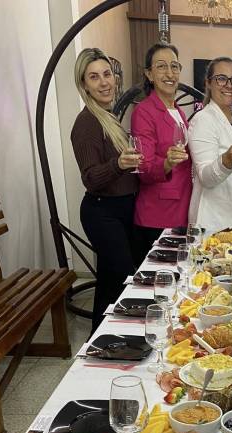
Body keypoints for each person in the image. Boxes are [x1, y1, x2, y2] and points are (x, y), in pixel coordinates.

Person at [71, 48, 141, 331]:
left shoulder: (107, 117)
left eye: (107, 74)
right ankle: (111, 340)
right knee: (121, 280)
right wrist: (119, 164)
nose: (104, 82)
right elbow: (90, 178)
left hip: (120, 209)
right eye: (94, 77)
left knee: (110, 283)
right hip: (103, 212)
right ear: (84, 84)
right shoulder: (87, 122)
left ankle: (97, 342)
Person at [131, 43, 192, 260]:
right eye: (161, 66)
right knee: (161, 277)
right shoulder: (143, 112)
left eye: (174, 66)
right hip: (158, 214)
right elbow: (143, 168)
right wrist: (167, 163)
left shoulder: (178, 112)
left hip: (182, 208)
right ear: (149, 74)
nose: (169, 73)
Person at [187, 57, 232, 233]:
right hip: (211, 222)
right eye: (221, 79)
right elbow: (206, 177)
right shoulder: (202, 120)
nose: (229, 85)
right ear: (208, 83)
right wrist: (226, 160)